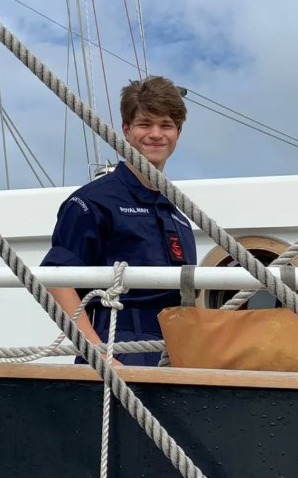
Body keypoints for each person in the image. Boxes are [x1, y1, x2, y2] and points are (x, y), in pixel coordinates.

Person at [41, 76, 196, 366]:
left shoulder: (179, 216)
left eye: (166, 125)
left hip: (177, 350)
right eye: (144, 124)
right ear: (126, 130)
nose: (156, 134)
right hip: (118, 345)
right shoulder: (93, 202)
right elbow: (57, 280)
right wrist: (95, 351)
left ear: (178, 132)